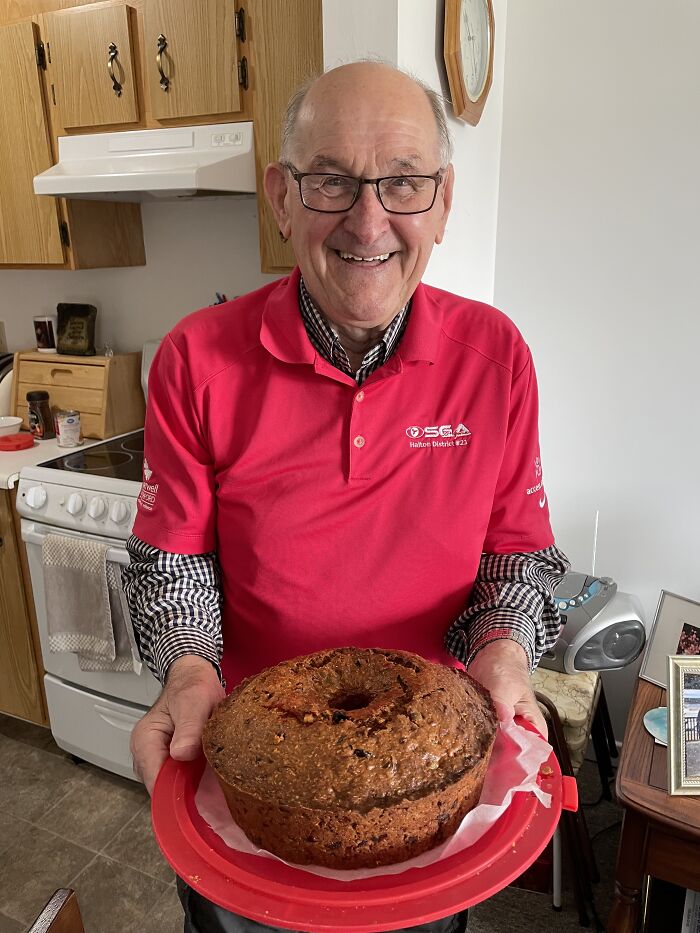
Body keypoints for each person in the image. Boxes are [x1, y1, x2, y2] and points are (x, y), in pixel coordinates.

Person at [123, 60, 569, 933]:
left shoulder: (497, 358)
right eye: (330, 180)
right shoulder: (195, 358)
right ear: (281, 198)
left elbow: (517, 557)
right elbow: (173, 564)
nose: (369, 221)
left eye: (403, 182)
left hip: (431, 784)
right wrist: (188, 669)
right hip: (250, 779)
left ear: (443, 201)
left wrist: (505, 651)